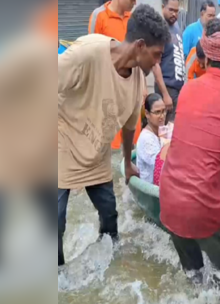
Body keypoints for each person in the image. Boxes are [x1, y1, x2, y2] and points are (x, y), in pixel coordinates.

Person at [58, 4, 169, 266]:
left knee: (110, 217)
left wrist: (128, 164)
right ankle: (56, 277)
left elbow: (130, 125)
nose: (156, 63)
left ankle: (109, 266)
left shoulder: (138, 82)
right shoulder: (89, 52)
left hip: (96, 154)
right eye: (155, 55)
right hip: (60, 146)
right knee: (55, 221)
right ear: (140, 46)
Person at [159, 19, 220, 279]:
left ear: (205, 60)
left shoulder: (187, 90)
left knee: (193, 274)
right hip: (203, 206)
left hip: (168, 200)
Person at [89, 0, 143, 150]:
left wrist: (142, 85)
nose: (135, 2)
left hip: (131, 88)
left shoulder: (134, 17)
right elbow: (91, 54)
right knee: (110, 143)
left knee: (132, 141)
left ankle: (128, 167)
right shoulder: (99, 16)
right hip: (108, 89)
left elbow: (139, 53)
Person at [152, 0, 185, 124]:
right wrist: (165, 95)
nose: (174, 14)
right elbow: (155, 65)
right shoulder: (159, 29)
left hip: (178, 89)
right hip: (167, 88)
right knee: (165, 132)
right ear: (162, 7)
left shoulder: (176, 26)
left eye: (176, 11)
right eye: (171, 10)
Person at [136, 93, 167, 184]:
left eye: (163, 111)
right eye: (157, 112)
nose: (162, 116)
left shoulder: (159, 133)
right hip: (150, 192)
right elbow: (162, 166)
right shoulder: (146, 139)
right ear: (147, 114)